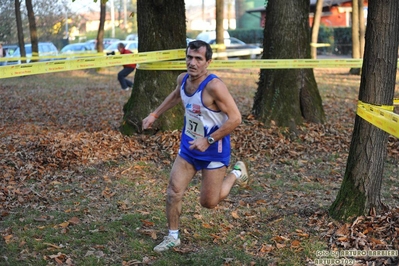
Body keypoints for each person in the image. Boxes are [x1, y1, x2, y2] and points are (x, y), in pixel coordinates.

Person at [142, 40, 249, 252]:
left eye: (198, 59)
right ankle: (173, 236)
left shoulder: (214, 86)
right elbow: (175, 96)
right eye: (189, 57)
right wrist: (155, 114)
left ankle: (237, 172)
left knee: (209, 203)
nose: (192, 63)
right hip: (189, 146)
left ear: (207, 62)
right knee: (174, 191)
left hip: (213, 149)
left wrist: (208, 139)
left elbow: (236, 118)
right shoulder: (183, 79)